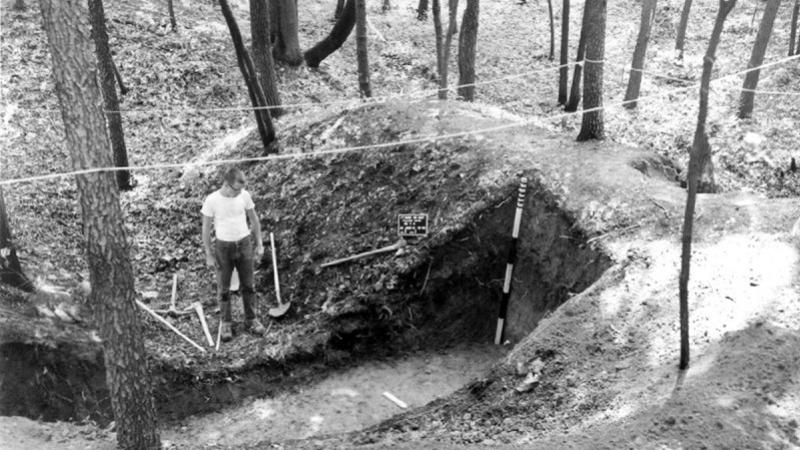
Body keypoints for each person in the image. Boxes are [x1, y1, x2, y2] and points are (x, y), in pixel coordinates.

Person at [201, 167, 266, 341]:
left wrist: (259, 243)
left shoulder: (244, 196)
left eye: (241, 189)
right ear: (226, 185)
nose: (240, 193)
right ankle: (226, 323)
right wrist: (208, 253)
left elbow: (254, 220)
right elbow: (206, 229)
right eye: (236, 189)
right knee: (223, 288)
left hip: (244, 244)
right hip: (223, 247)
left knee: (249, 285)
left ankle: (251, 319)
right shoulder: (212, 200)